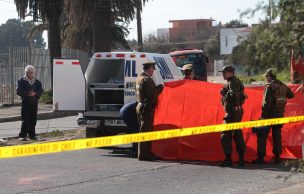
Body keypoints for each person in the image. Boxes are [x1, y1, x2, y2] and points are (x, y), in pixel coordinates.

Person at [252, 69, 294, 164]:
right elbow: (291, 95)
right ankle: (277, 157)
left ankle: (261, 157)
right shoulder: (283, 85)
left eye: (267, 76)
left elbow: (266, 103)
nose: (266, 78)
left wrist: (263, 116)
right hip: (279, 115)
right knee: (277, 135)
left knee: (262, 134)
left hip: (269, 115)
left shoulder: (269, 86)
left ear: (270, 76)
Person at [135, 62, 164, 161]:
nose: (153, 71)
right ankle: (144, 155)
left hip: (140, 107)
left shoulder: (139, 78)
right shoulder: (147, 80)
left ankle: (145, 153)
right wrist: (161, 87)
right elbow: (153, 94)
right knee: (145, 132)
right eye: (153, 68)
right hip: (147, 109)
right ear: (149, 69)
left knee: (144, 131)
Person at [219, 65, 247, 167]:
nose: (223, 74)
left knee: (225, 135)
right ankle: (241, 159)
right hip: (238, 110)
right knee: (237, 133)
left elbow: (233, 96)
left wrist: (224, 93)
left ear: (231, 73)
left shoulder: (232, 83)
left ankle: (228, 159)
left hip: (232, 112)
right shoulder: (236, 81)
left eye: (225, 72)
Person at [16, 65, 43, 141]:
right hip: (26, 102)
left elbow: (41, 91)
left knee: (33, 120)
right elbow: (18, 91)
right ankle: (22, 136)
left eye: (32, 72)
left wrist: (35, 93)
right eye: (29, 72)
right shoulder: (21, 81)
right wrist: (28, 93)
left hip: (34, 103)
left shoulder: (37, 81)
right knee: (25, 120)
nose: (30, 73)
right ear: (26, 72)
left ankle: (32, 135)